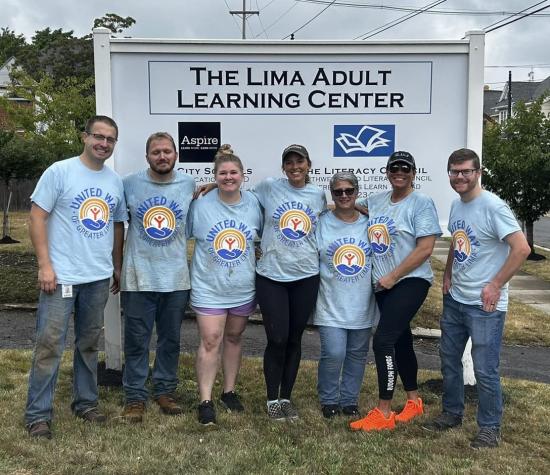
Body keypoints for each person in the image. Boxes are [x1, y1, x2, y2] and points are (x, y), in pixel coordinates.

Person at [25, 115, 127, 439]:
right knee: (49, 345)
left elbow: (116, 225)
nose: (104, 143)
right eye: (99, 136)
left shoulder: (114, 181)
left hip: (97, 278)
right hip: (61, 276)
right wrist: (45, 265)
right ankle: (38, 414)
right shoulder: (60, 171)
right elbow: (36, 217)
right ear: (85, 137)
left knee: (88, 344)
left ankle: (85, 403)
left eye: (110, 139)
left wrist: (116, 265)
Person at [423, 148, 530, 449]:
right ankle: (452, 412)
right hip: (456, 299)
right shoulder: (458, 205)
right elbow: (459, 245)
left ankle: (489, 427)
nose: (459, 177)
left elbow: (521, 248)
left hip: (485, 305)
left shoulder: (493, 206)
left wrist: (495, 284)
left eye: (466, 171)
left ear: (478, 172)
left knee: (485, 368)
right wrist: (447, 274)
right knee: (448, 359)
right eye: (454, 171)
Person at [350, 150, 441, 432]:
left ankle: (384, 411)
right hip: (383, 283)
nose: (399, 172)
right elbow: (344, 203)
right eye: (394, 168)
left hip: (409, 281)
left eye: (405, 168)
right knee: (401, 341)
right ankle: (413, 401)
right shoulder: (376, 201)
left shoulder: (421, 203)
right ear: (387, 172)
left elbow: (425, 248)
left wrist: (393, 276)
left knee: (383, 342)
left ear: (413, 173)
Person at [118, 132, 195, 423]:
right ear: (147, 156)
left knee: (170, 340)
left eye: (167, 151)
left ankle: (164, 390)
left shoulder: (187, 184)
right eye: (156, 152)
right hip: (138, 278)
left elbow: (215, 193)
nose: (162, 157)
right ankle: (135, 396)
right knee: (136, 341)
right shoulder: (129, 184)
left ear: (176, 154)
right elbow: (115, 224)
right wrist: (116, 266)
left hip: (175, 279)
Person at [188, 145, 263, 425]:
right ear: (214, 176)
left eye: (233, 172)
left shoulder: (254, 203)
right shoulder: (200, 204)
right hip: (209, 285)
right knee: (210, 340)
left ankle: (229, 391)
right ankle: (205, 399)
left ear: (243, 176)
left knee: (233, 338)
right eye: (222, 173)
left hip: (242, 286)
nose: (228, 177)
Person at [254, 144, 327, 421]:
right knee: (277, 338)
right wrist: (214, 184)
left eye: (300, 161)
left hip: (306, 275)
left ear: (309, 164)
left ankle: (286, 397)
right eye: (290, 162)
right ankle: (272, 398)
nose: (295, 166)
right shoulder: (270, 187)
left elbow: (327, 217)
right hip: (271, 274)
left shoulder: (317, 194)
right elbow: (239, 197)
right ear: (283, 167)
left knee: (295, 338)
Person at [314, 172, 378, 419]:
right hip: (330, 300)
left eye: (348, 191)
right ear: (332, 194)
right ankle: (329, 398)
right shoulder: (321, 223)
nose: (343, 195)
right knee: (334, 352)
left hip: (362, 302)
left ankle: (349, 400)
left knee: (357, 353)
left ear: (357, 192)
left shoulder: (370, 224)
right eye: (338, 191)